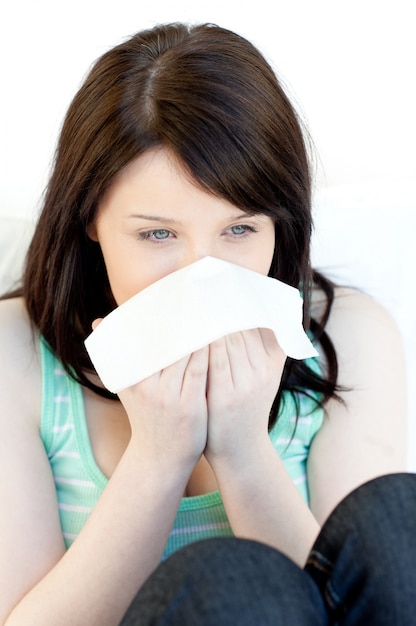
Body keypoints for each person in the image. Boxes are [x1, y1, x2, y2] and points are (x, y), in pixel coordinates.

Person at [0, 21, 411, 626]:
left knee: (394, 512)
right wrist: (160, 457)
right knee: (232, 582)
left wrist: (242, 450)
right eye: (158, 234)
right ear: (91, 220)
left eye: (239, 230)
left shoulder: (349, 334)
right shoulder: (18, 356)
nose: (202, 274)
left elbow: (370, 597)